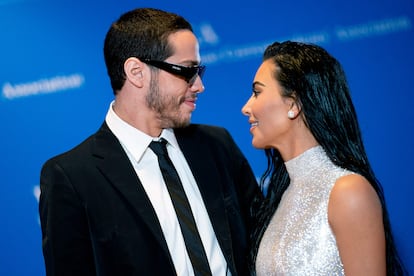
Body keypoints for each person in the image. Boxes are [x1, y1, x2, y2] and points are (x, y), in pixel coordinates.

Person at [39, 7, 261, 276]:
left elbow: (260, 240)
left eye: (199, 71)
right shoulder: (72, 177)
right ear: (136, 72)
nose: (199, 85)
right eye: (187, 71)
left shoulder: (216, 145)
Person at [241, 41, 406, 275]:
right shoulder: (281, 198)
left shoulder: (348, 190)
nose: (246, 107)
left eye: (257, 92)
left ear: (294, 103)